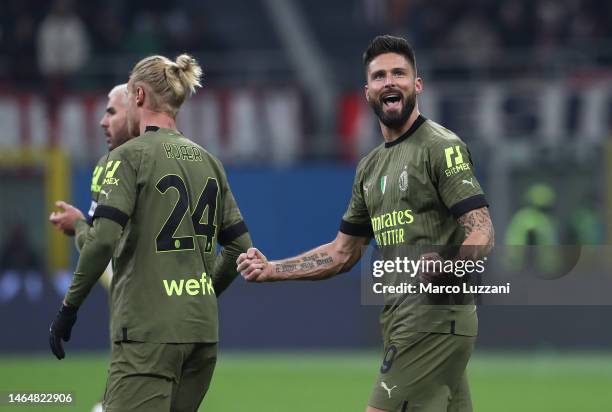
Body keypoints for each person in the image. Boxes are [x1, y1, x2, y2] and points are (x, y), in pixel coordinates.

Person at [237, 35, 494, 412]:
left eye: (399, 73)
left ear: (417, 84)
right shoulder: (370, 168)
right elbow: (343, 253)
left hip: (431, 318)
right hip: (406, 320)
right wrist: (273, 268)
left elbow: (483, 230)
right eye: (379, 76)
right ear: (368, 91)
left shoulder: (441, 147)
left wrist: (450, 260)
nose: (389, 81)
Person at [49, 54, 252, 411]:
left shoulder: (128, 157)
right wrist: (200, 295)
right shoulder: (209, 161)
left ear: (139, 96)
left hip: (148, 334)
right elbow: (239, 248)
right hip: (201, 334)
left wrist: (69, 307)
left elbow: (103, 241)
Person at [49, 83, 131, 290]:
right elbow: (99, 236)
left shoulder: (140, 166)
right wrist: (80, 224)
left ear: (134, 116)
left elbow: (100, 245)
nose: (103, 122)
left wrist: (77, 225)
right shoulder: (105, 167)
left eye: (111, 113)